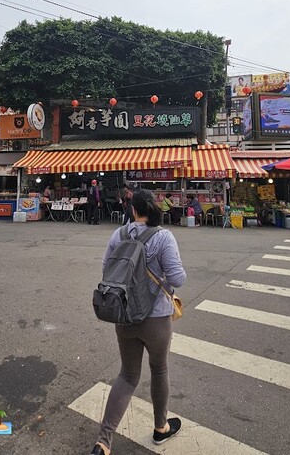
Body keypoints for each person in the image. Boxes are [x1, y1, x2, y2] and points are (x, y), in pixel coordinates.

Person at [90, 189, 187, 455]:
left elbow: (106, 270)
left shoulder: (118, 234)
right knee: (159, 369)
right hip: (156, 319)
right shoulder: (163, 237)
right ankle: (160, 428)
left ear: (132, 210)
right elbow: (178, 279)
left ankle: (103, 442)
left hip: (124, 316)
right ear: (152, 208)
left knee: (128, 375)